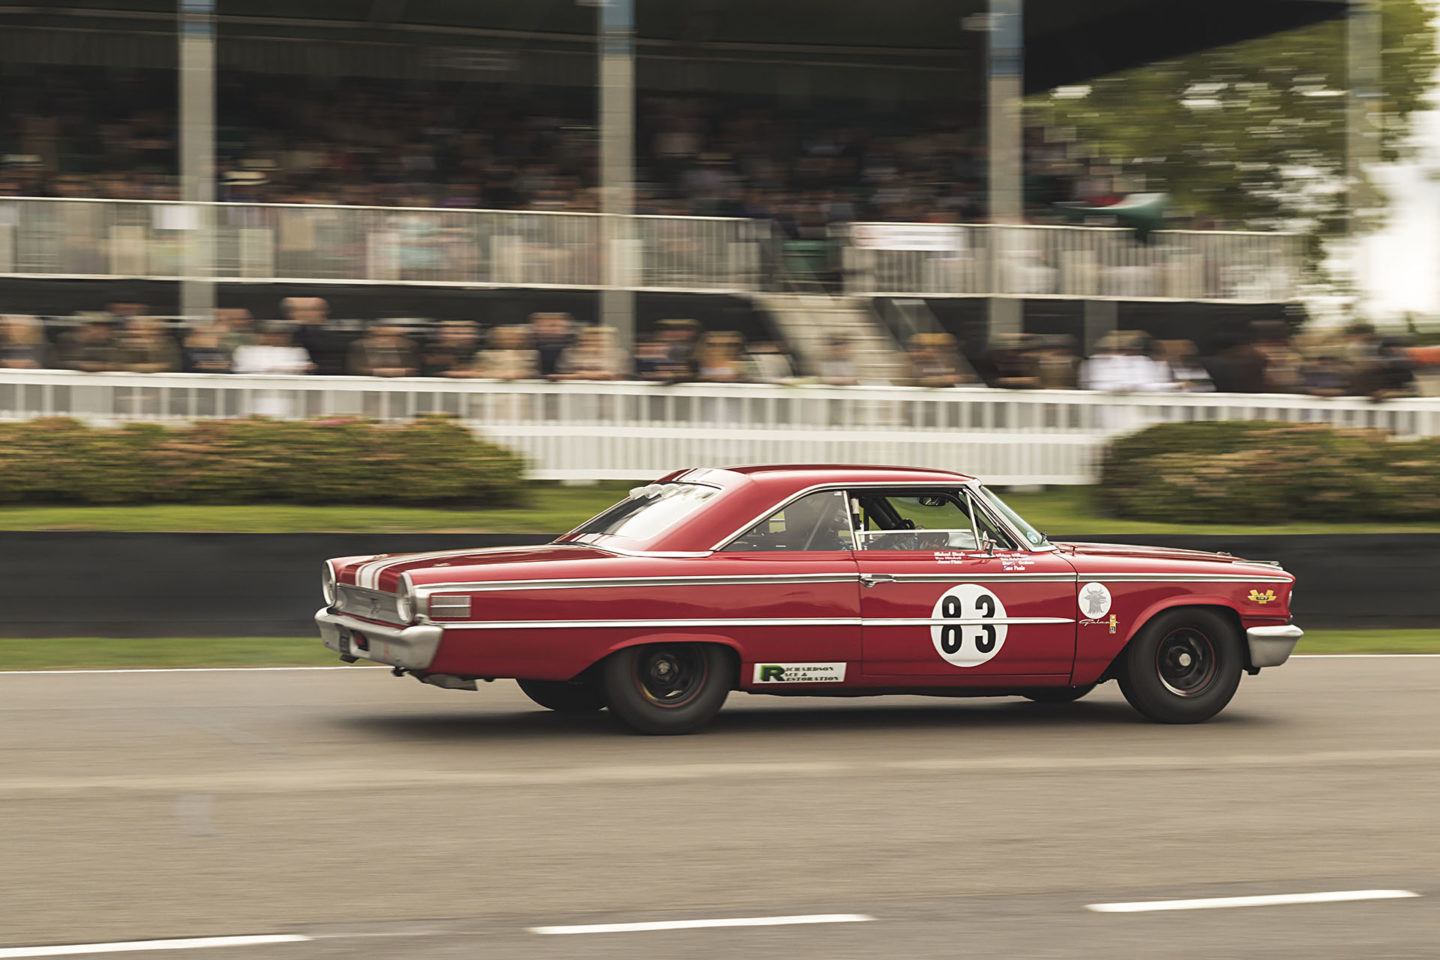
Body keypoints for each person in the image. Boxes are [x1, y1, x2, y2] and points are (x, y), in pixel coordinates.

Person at [346, 321, 420, 377]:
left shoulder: (408, 347)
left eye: (393, 336)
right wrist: (378, 372)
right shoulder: (359, 347)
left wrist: (399, 372)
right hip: (366, 385)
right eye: (382, 336)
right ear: (371, 336)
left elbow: (413, 370)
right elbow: (355, 369)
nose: (386, 339)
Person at [555, 325, 626, 380]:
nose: (593, 342)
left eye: (599, 340)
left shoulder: (619, 354)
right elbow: (562, 376)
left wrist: (583, 375)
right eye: (589, 339)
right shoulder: (569, 353)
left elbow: (622, 377)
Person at [472, 324, 539, 380]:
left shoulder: (531, 354)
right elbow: (476, 373)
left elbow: (536, 373)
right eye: (505, 338)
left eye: (513, 338)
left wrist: (519, 374)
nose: (509, 341)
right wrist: (499, 375)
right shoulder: (484, 354)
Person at [114, 317, 180, 373]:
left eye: (155, 330)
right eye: (148, 329)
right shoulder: (130, 343)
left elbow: (171, 366)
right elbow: (121, 366)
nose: (151, 332)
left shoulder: (168, 343)